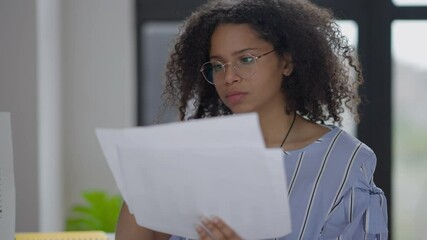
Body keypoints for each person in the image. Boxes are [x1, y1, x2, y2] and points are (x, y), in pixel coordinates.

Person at [116, 0, 388, 239]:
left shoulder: (346, 163)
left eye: (245, 59)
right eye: (217, 65)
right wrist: (140, 192)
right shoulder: (188, 153)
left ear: (287, 63)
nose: (229, 77)